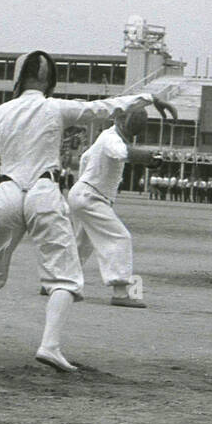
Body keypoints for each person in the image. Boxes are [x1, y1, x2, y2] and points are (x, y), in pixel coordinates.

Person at [0, 50, 174, 372]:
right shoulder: (55, 107)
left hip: (8, 192)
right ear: (48, 80)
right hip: (43, 191)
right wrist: (148, 97)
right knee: (66, 279)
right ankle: (49, 346)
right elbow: (102, 108)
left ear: (18, 78)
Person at [69, 108, 162, 308]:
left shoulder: (107, 138)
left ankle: (56, 281)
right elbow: (120, 152)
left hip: (83, 193)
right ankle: (120, 292)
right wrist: (147, 157)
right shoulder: (110, 138)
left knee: (81, 244)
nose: (131, 134)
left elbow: (85, 158)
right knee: (119, 237)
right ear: (120, 121)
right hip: (91, 196)